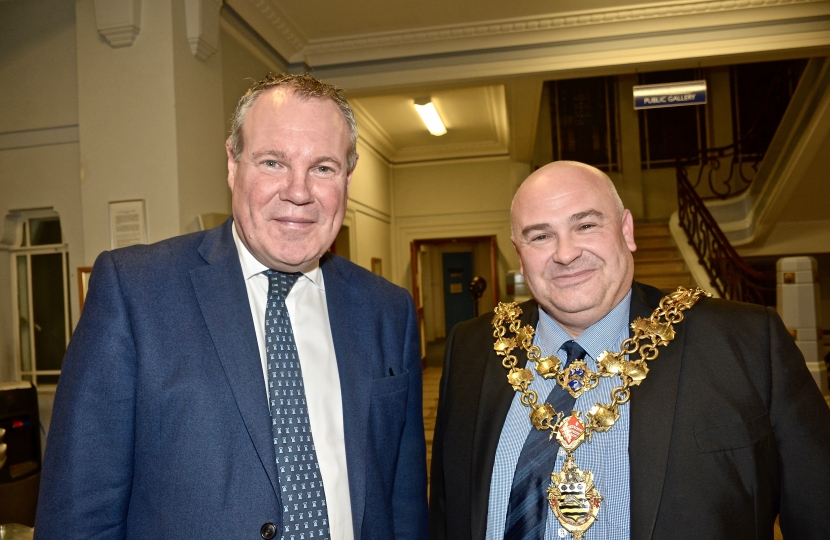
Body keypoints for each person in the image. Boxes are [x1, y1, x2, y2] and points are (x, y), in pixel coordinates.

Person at [35, 74, 429, 539]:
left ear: (348, 174)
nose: (298, 192)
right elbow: (79, 518)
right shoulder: (135, 293)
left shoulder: (387, 310)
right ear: (232, 163)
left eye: (323, 168)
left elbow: (403, 506)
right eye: (272, 162)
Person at [429, 161, 830, 540]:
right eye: (540, 236)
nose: (565, 253)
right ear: (520, 254)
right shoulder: (473, 347)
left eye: (585, 224)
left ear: (626, 230)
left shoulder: (743, 341)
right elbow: (446, 513)